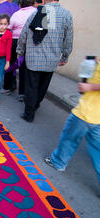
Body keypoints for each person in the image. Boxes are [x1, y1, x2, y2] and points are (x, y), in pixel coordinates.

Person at [44, 57, 100, 196]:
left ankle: (58, 162)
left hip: (84, 113)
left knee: (69, 138)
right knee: (97, 150)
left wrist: (90, 86)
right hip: (97, 117)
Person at [17, 0, 73, 123]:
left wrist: (20, 50)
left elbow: (24, 34)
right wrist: (65, 56)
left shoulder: (36, 13)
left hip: (33, 58)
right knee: (43, 86)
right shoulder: (66, 15)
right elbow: (68, 38)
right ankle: (35, 104)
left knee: (31, 86)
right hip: (51, 59)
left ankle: (29, 114)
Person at [5, 0, 37, 100]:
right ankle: (22, 93)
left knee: (10, 63)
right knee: (25, 68)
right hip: (30, 42)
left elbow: (9, 27)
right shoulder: (36, 12)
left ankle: (7, 86)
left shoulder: (17, 14)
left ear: (20, 4)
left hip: (16, 41)